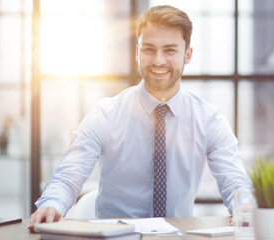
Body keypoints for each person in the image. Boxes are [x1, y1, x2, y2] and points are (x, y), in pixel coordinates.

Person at [28, 5, 252, 231]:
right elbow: (68, 176)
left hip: (177, 236)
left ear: (188, 55)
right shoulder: (106, 114)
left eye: (170, 50)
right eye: (149, 49)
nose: (158, 60)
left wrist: (245, 208)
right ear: (137, 53)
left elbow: (234, 181)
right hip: (116, 236)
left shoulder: (208, 120)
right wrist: (52, 204)